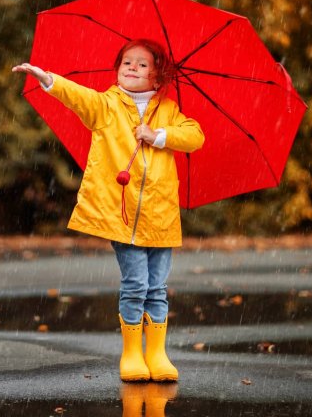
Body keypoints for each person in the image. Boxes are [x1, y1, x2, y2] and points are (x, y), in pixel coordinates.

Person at [12, 39, 204, 382]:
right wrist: (47, 78)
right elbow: (77, 96)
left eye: (142, 64)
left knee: (157, 288)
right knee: (136, 284)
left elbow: (195, 137)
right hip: (122, 214)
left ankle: (156, 353)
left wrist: (158, 135)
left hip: (161, 215)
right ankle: (132, 353)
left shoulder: (169, 111)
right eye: (126, 62)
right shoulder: (106, 105)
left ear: (159, 77)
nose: (131, 67)